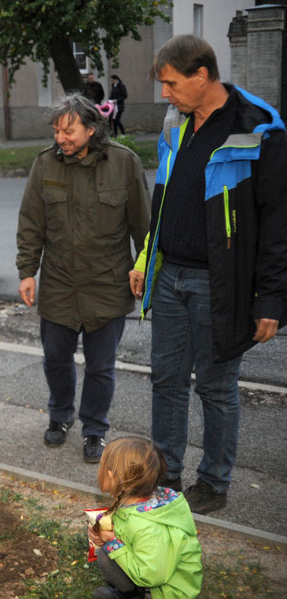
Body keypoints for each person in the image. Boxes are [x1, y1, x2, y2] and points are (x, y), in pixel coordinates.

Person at [130, 35, 287, 514]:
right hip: (170, 276)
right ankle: (166, 476)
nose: (165, 94)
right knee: (166, 381)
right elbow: (164, 199)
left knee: (217, 387)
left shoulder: (259, 127)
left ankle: (214, 484)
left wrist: (271, 301)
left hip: (220, 285)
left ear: (202, 76)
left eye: (171, 84)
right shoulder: (176, 123)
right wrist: (145, 260)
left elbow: (278, 221)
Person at [16, 95, 150, 464]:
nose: (61, 137)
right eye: (57, 130)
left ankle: (95, 428)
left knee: (101, 366)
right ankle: (60, 416)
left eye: (68, 130)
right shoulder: (44, 165)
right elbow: (31, 223)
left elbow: (144, 226)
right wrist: (27, 271)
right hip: (59, 282)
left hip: (107, 284)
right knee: (55, 359)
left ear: (91, 129)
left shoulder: (124, 164)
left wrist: (145, 268)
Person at [88, 437, 202, 599]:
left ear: (112, 476)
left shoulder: (147, 525)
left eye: (102, 465)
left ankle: (136, 595)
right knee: (106, 554)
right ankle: (132, 593)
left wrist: (113, 541)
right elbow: (133, 536)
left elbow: (151, 576)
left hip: (168, 592)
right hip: (152, 572)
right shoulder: (137, 500)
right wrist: (107, 536)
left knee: (109, 554)